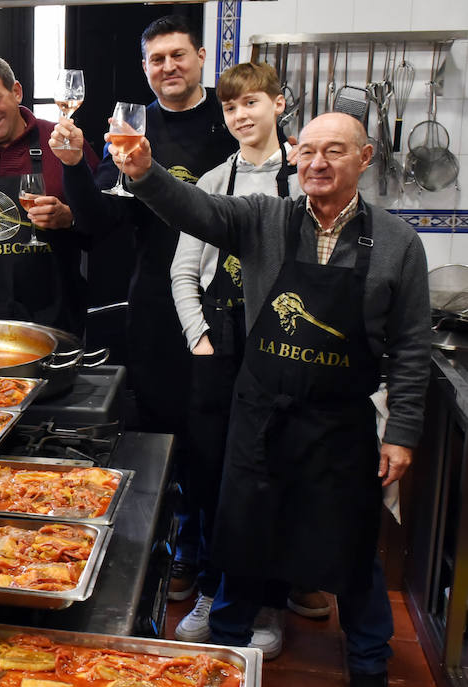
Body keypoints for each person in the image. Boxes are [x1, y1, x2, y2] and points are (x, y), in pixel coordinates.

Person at [101, 111, 431, 687]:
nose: (318, 163)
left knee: (355, 550)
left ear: (366, 157)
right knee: (242, 536)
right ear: (292, 157)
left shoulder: (397, 243)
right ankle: (222, 655)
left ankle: (367, 665)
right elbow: (194, 210)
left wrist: (403, 432)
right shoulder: (265, 219)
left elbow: (412, 347)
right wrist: (145, 173)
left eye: (335, 151)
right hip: (261, 416)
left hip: (339, 424)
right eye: (306, 151)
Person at [52, 14, 237, 607]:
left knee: (224, 435)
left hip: (226, 302)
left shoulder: (227, 120)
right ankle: (180, 547)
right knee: (162, 430)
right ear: (145, 69)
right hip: (155, 301)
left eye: (178, 55)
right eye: (157, 59)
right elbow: (102, 219)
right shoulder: (134, 125)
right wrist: (79, 163)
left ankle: (228, 561)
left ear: (201, 57)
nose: (169, 67)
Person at [167, 61, 300, 651]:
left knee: (272, 475)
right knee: (212, 474)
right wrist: (199, 336)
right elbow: (182, 272)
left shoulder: (304, 175)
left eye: (251, 103)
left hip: (285, 346)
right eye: (230, 107)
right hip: (219, 347)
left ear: (279, 105)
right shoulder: (213, 182)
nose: (241, 115)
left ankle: (267, 605)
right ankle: (212, 590)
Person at [0, 53, 98, 335]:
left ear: (16, 92)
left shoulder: (62, 143)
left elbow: (102, 221)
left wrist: (69, 218)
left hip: (57, 314)